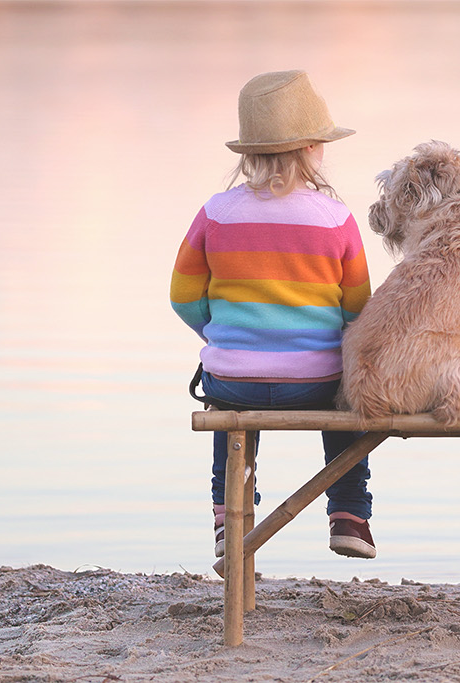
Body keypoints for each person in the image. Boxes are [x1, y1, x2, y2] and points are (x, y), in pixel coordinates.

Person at [170, 70, 377, 559]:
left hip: (232, 378)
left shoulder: (216, 213)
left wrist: (226, 333)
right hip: (318, 380)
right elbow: (358, 308)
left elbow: (181, 296)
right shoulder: (336, 219)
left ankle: (229, 518)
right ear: (310, 149)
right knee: (349, 401)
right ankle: (349, 513)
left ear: (248, 153)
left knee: (229, 417)